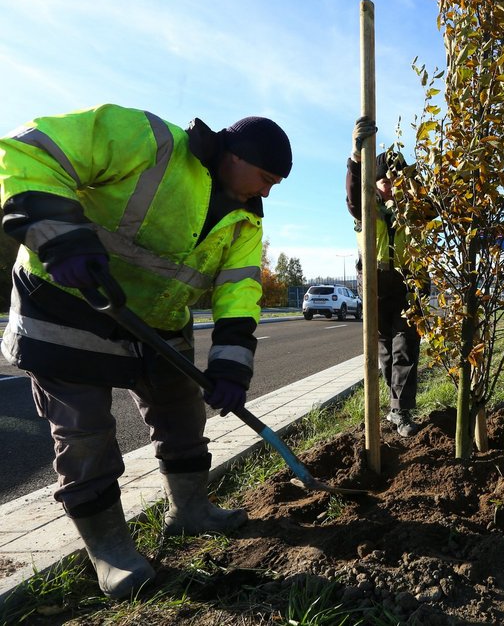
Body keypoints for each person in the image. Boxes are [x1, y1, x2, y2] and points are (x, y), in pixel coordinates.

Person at [0, 104, 292, 598]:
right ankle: (111, 551)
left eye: (273, 185)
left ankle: (191, 511)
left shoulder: (246, 221)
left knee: (182, 414)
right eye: (264, 177)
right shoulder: (150, 140)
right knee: (84, 431)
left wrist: (230, 367)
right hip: (66, 300)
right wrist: (60, 236)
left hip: (156, 323)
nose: (265, 192)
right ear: (234, 155)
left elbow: (238, 293)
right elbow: (29, 149)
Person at [345, 116, 424, 437]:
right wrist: (355, 159)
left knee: (406, 346)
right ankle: (393, 408)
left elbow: (431, 205)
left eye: (396, 179)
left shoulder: (415, 207)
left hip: (408, 283)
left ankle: (401, 411)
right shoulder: (367, 207)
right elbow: (353, 196)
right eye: (384, 180)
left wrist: (413, 184)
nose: (390, 185)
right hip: (375, 283)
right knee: (385, 350)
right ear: (374, 183)